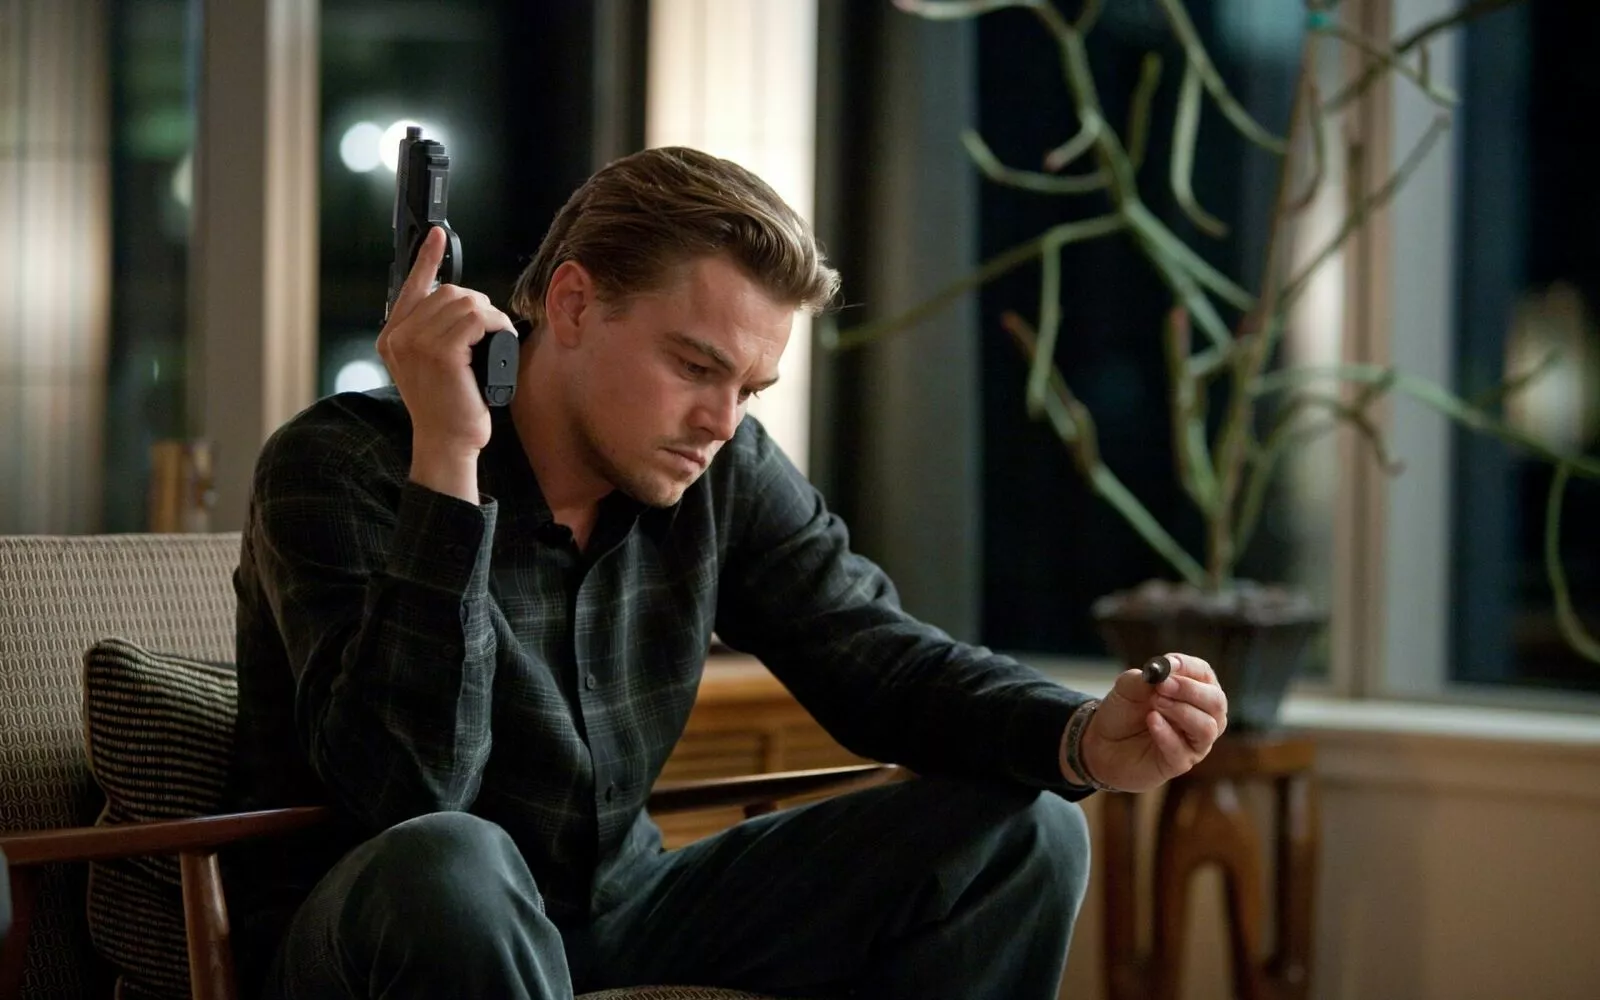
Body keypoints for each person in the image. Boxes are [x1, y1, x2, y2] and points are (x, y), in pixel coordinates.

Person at [225, 145, 1229, 1000]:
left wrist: (1080, 735)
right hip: (389, 933)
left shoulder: (720, 466)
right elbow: (407, 793)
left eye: (749, 388)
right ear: (572, 304)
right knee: (452, 858)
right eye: (696, 367)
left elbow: (876, 656)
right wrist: (448, 459)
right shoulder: (342, 465)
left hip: (621, 914)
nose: (721, 420)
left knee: (1026, 831)